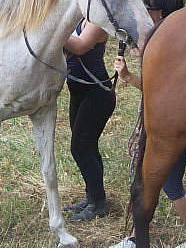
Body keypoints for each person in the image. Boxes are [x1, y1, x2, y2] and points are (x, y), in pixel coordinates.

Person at [111, 0, 186, 248]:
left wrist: (128, 76)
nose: (143, 11)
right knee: (145, 179)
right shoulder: (175, 40)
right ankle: (136, 237)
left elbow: (158, 90)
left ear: (161, 13)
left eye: (148, 8)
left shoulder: (172, 46)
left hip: (171, 124)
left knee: (170, 183)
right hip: (159, 121)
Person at [63, 20, 114, 221]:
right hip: (78, 92)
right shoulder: (78, 18)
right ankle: (92, 196)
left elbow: (80, 46)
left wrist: (52, 29)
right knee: (88, 147)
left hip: (97, 94)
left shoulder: (98, 21)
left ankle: (98, 204)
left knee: (80, 148)